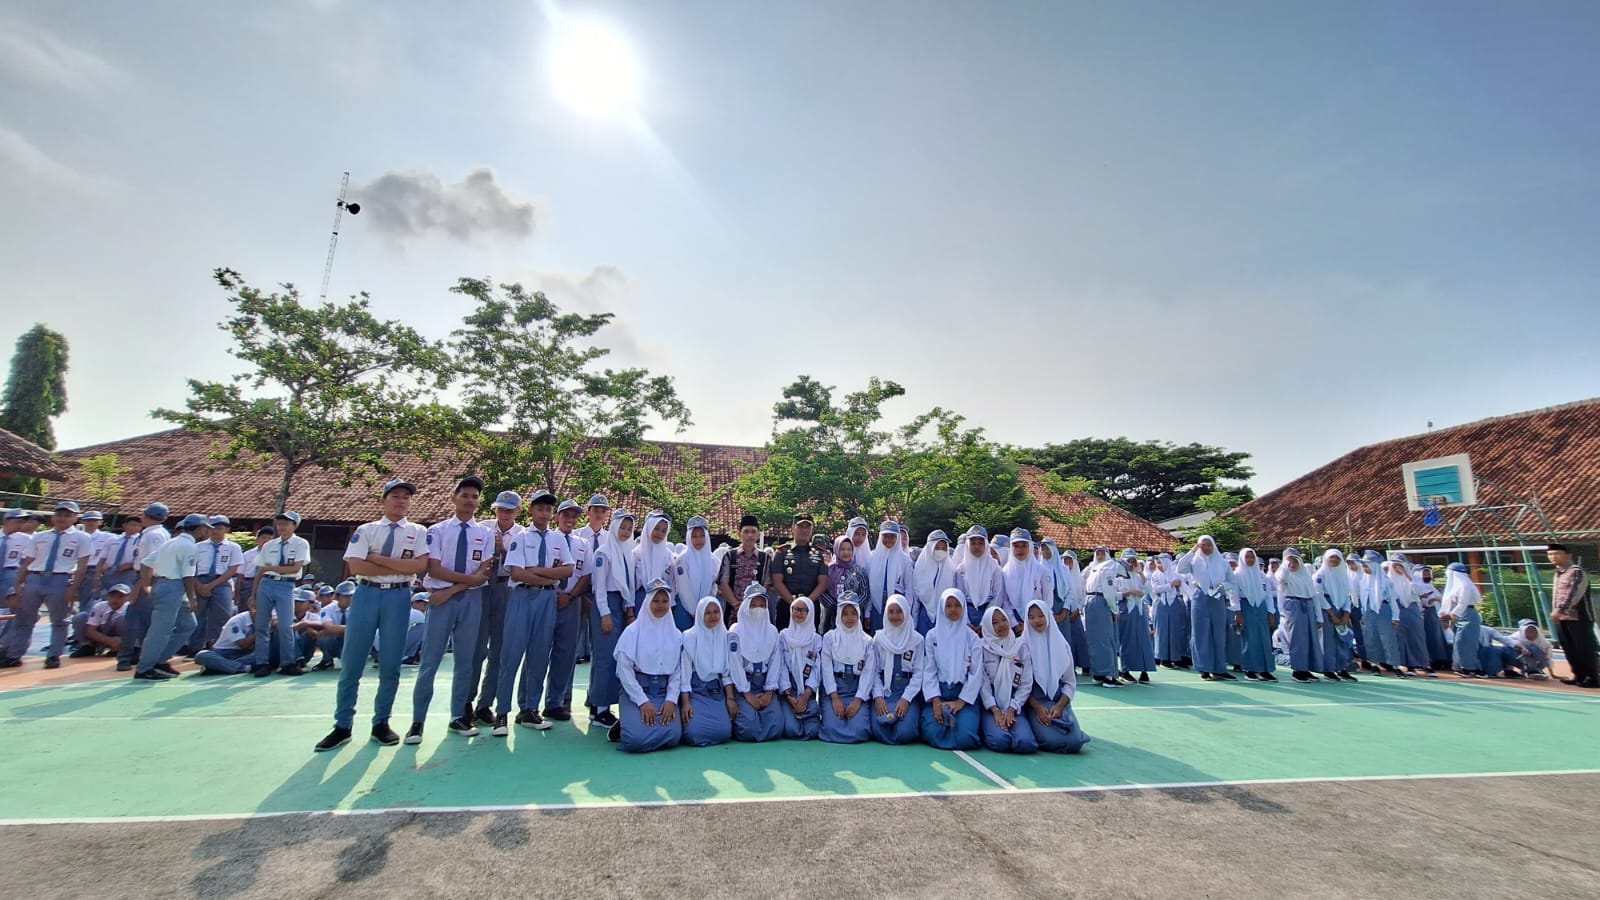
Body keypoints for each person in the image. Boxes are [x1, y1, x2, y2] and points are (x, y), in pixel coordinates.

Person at [315, 480, 431, 752]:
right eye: (395, 496)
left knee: (390, 664)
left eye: (406, 497)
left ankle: (381, 722)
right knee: (352, 662)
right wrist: (400, 567)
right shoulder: (366, 530)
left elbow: (419, 565)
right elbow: (356, 566)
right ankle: (343, 725)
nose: (401, 501)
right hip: (367, 593)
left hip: (398, 597)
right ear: (383, 500)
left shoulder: (417, 531)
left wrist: (378, 559)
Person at [407, 476, 495, 745]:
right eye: (465, 495)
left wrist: (452, 589)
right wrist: (460, 585)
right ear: (453, 498)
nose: (469, 500)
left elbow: (483, 574)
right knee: (430, 661)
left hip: (468, 600)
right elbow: (434, 569)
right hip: (441, 601)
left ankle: (458, 715)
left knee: (465, 661)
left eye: (474, 497)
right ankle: (417, 721)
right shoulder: (437, 531)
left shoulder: (485, 534)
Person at [493, 489, 574, 736]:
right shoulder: (520, 537)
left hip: (547, 599)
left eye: (549, 509)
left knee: (539, 655)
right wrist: (550, 577)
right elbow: (517, 573)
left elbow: (568, 570)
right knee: (511, 655)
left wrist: (538, 571)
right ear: (530, 510)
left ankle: (529, 709)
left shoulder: (558, 538)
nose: (545, 513)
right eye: (540, 508)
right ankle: (501, 713)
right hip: (523, 597)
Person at [2, 500, 92, 670]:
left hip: (60, 579)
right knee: (23, 619)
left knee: (59, 621)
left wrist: (73, 589)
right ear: (53, 517)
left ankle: (53, 656)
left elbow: (82, 566)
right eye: (59, 514)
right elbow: (27, 561)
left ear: (76, 518)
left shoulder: (82, 537)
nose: (62, 518)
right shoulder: (39, 536)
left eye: (67, 515)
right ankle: (14, 655)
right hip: (35, 578)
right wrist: (18, 583)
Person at [133, 513, 209, 681]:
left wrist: (147, 585)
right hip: (173, 586)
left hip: (165, 585)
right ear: (199, 528)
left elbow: (145, 563)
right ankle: (145, 668)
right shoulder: (189, 546)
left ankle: (160, 660)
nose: (206, 531)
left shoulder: (171, 542)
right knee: (160, 630)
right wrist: (192, 599)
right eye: (205, 528)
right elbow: (188, 576)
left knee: (188, 624)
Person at [470, 490, 523, 726]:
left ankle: (485, 704)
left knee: (499, 651)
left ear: (518, 512)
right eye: (501, 509)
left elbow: (521, 566)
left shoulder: (522, 534)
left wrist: (503, 550)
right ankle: (466, 701)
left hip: (506, 587)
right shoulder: (483, 528)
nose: (505, 514)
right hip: (481, 587)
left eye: (510, 510)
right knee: (476, 649)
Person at [613, 579, 682, 752]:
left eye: (665, 601)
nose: (660, 606)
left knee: (674, 736)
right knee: (635, 740)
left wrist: (671, 700)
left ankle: (632, 722)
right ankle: (627, 722)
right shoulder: (632, 632)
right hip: (637, 692)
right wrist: (642, 701)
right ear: (647, 602)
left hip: (663, 693)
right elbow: (624, 671)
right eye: (655, 601)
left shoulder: (675, 635)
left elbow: (677, 672)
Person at [587, 509, 637, 730]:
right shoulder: (603, 553)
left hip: (619, 605)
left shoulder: (626, 552)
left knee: (615, 657)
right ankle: (601, 710)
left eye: (629, 528)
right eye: (622, 527)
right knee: (605, 658)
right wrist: (605, 614)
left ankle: (597, 704)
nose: (625, 532)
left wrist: (628, 611)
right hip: (605, 605)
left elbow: (627, 586)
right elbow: (598, 588)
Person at [1023, 598, 1091, 754]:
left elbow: (1070, 682)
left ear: (1048, 616)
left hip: (1058, 701)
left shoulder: (1062, 645)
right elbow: (1020, 686)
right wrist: (1037, 707)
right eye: (1031, 617)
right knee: (1050, 741)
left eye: (1041, 615)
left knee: (1074, 742)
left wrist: (1060, 706)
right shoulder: (1022, 646)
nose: (1037, 620)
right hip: (1034, 703)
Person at [545, 498, 591, 722]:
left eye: (574, 516)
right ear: (557, 516)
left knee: (565, 654)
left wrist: (571, 596)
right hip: (546, 598)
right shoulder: (547, 538)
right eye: (566, 515)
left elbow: (586, 575)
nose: (570, 519)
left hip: (571, 601)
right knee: (538, 653)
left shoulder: (583, 543)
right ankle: (529, 704)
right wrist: (552, 593)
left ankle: (556, 702)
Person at [920, 587, 982, 750]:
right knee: (933, 732)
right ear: (942, 608)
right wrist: (935, 700)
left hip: (963, 696)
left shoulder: (972, 638)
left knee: (966, 737)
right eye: (948, 606)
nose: (953, 609)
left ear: (963, 607)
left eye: (957, 605)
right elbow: (929, 670)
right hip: (939, 694)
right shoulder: (932, 636)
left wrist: (960, 702)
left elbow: (975, 673)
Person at [252, 511, 311, 678]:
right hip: (267, 583)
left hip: (286, 585)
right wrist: (253, 594)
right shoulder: (269, 545)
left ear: (295, 525)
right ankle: (262, 663)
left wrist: (271, 568)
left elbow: (295, 568)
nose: (282, 527)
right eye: (279, 524)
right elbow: (260, 570)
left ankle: (288, 662)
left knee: (286, 626)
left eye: (286, 524)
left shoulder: (301, 543)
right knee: (261, 625)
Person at [978, 605, 1038, 754]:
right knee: (1000, 741)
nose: (1001, 625)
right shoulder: (982, 648)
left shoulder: (1020, 647)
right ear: (987, 626)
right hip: (990, 706)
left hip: (1014, 705)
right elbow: (983, 684)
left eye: (1004, 619)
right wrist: (995, 710)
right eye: (995, 622)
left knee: (1026, 743)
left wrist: (1012, 708)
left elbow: (1026, 683)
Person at [729, 584, 785, 742]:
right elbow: (735, 666)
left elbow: (775, 663)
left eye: (762, 605)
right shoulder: (735, 631)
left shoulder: (772, 631)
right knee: (747, 728)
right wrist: (747, 694)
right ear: (745, 606)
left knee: (776, 726)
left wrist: (769, 692)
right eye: (753, 605)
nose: (758, 609)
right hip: (743, 685)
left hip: (765, 684)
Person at [677, 595, 735, 747]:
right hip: (696, 691)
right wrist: (686, 703)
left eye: (716, 612)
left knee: (724, 732)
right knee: (693, 733)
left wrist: (730, 699)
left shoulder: (725, 636)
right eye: (707, 613)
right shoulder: (689, 637)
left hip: (716, 690)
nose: (712, 616)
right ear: (700, 615)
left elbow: (727, 673)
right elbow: (685, 674)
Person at [1177, 535, 1236, 681]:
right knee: (1200, 633)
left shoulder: (1222, 562)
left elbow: (1232, 581)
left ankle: (1219, 668)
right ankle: (1203, 668)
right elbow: (1180, 568)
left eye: (1209, 544)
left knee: (1219, 634)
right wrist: (1192, 551)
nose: (1206, 547)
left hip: (1217, 597)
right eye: (1202, 545)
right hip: (1200, 596)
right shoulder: (1194, 560)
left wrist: (1223, 587)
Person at [866, 595, 924, 745]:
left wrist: (906, 699)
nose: (895, 616)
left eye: (899, 611)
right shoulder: (879, 639)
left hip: (906, 692)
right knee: (879, 729)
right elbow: (873, 671)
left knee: (905, 732)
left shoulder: (917, 640)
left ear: (906, 612)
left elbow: (919, 673)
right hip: (885, 691)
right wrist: (878, 697)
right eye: (891, 612)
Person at [819, 595, 874, 744]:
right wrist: (835, 698)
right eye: (845, 613)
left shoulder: (867, 641)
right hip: (835, 690)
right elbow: (826, 669)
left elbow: (868, 673)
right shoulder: (830, 638)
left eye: (853, 613)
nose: (850, 618)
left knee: (859, 730)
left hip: (857, 691)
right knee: (831, 728)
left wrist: (858, 701)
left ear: (859, 614)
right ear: (839, 615)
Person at [186, 515, 242, 655]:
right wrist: (199, 585)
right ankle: (195, 646)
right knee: (198, 615)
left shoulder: (233, 547)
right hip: (200, 581)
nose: (215, 531)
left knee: (222, 616)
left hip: (221, 582)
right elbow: (191, 568)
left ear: (227, 529)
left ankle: (217, 645)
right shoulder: (198, 546)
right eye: (212, 528)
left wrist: (211, 586)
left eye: (219, 528)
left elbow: (232, 570)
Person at [1546, 544, 1596, 688]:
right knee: (1569, 648)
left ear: (1568, 555)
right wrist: (1556, 611)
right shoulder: (1558, 573)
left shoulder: (1575, 572)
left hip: (1579, 617)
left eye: (1557, 553)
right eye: (1550, 554)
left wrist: (1559, 610)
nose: (1553, 557)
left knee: (1583, 647)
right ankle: (1579, 675)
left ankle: (1591, 677)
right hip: (1562, 618)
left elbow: (1573, 593)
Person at [1275, 548, 1326, 682]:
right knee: (1297, 639)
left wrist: (1319, 617)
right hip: (1293, 606)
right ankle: (1298, 671)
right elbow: (1281, 577)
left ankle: (1307, 669)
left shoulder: (1305, 576)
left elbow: (1314, 596)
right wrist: (1286, 563)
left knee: (1310, 638)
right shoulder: (1285, 575)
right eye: (1289, 561)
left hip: (1308, 606)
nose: (1292, 564)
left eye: (1295, 561)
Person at [770, 514, 827, 633]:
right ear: (793, 528)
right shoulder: (782, 552)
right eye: (801, 527)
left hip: (811, 605)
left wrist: (806, 604)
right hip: (786, 605)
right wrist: (794, 604)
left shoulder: (819, 554)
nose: (804, 530)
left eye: (808, 527)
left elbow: (822, 583)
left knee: (811, 641)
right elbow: (777, 581)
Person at [777, 596, 823, 739]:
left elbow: (816, 669)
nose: (799, 613)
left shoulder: (815, 639)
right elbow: (781, 666)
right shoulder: (783, 636)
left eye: (803, 610)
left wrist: (805, 697)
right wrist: (789, 695)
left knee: (812, 731)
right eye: (796, 609)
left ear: (810, 613)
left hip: (807, 691)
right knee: (791, 730)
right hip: (789, 690)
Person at [1232, 548, 1278, 681]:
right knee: (1250, 638)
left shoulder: (1261, 575)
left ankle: (1265, 670)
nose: (1250, 560)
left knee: (1264, 639)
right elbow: (1234, 595)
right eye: (1247, 557)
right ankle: (1250, 669)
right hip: (1246, 606)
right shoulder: (1237, 575)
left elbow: (1268, 595)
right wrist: (1238, 612)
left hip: (1261, 607)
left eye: (1252, 557)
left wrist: (1270, 612)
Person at [1081, 547, 1124, 687]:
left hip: (1090, 602)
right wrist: (1114, 609)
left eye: (1102, 553)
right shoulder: (1108, 568)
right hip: (1101, 602)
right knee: (1105, 640)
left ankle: (1099, 673)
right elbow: (1109, 592)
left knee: (1096, 640)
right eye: (1097, 553)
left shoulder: (1092, 569)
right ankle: (1108, 675)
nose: (1099, 556)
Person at [1314, 550, 1359, 682]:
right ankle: (1328, 669)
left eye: (1337, 558)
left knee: (1342, 640)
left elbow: (1347, 595)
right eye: (1331, 557)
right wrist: (1332, 614)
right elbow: (1319, 595)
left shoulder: (1344, 575)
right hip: (1326, 609)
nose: (1334, 560)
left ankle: (1342, 668)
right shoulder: (1319, 575)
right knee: (1328, 640)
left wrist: (1346, 614)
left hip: (1340, 608)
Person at [717, 515, 770, 627]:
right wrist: (737, 605)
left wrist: (753, 606)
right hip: (733, 611)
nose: (750, 535)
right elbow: (723, 583)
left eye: (753, 532)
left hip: (757, 612)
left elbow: (767, 583)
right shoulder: (730, 556)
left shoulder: (765, 558)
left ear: (758, 535)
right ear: (739, 534)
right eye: (746, 531)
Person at [1387, 557, 1434, 677]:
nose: (1396, 568)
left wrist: (1407, 575)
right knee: (1402, 638)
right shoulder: (1389, 580)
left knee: (1417, 636)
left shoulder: (1413, 578)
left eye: (1399, 565)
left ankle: (1424, 664)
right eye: (1394, 566)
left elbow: (1419, 592)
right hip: (1397, 610)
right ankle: (1409, 665)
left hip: (1412, 609)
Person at [1439, 562, 1487, 678]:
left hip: (1467, 615)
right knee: (1458, 642)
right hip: (1458, 616)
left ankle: (1471, 667)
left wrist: (1452, 615)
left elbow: (1463, 603)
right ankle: (1460, 666)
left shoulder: (1464, 586)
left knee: (1466, 642)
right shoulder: (1456, 586)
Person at [1115, 549, 1155, 683]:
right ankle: (1125, 670)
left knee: (1143, 640)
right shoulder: (1118, 577)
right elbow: (1114, 594)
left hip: (1139, 610)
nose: (1131, 564)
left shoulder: (1137, 576)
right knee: (1127, 640)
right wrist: (1129, 592)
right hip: (1126, 609)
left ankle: (1144, 669)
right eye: (1129, 561)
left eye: (1133, 561)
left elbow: (1148, 589)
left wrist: (1140, 573)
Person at [673, 516, 719, 631]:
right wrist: (694, 611)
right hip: (684, 607)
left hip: (707, 610)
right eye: (694, 536)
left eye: (702, 536)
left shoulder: (713, 560)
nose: (698, 540)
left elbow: (714, 584)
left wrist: (705, 607)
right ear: (689, 538)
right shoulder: (682, 559)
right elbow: (683, 588)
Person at [908, 530, 955, 635]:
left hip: (946, 616)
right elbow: (915, 600)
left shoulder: (951, 570)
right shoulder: (919, 570)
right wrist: (913, 624)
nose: (940, 551)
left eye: (944, 548)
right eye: (937, 548)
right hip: (924, 616)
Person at [864, 521, 908, 633]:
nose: (889, 539)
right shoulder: (872, 557)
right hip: (877, 606)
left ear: (897, 537)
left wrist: (908, 612)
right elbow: (869, 587)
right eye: (885, 536)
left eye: (892, 536)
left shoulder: (905, 559)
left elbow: (909, 589)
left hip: (897, 607)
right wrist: (867, 613)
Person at [195, 602, 263, 675]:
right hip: (223, 653)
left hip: (244, 655)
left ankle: (218, 667)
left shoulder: (266, 620)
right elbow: (242, 645)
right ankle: (242, 668)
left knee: (262, 656)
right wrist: (262, 631)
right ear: (254, 610)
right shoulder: (236, 621)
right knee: (202, 655)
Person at [955, 527, 1002, 631]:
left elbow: (998, 596)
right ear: (968, 545)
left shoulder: (994, 567)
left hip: (989, 612)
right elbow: (959, 597)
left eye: (981, 543)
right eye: (973, 543)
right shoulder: (961, 569)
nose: (977, 547)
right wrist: (966, 621)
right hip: (966, 613)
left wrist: (986, 621)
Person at [71, 580, 132, 658]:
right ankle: (88, 646)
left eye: (120, 596)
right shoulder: (99, 606)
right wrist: (109, 641)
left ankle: (120, 649)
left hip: (121, 638)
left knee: (123, 619)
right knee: (80, 618)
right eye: (112, 596)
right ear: (107, 596)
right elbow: (90, 631)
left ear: (128, 598)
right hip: (102, 635)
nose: (115, 599)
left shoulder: (130, 609)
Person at [824, 536, 869, 634]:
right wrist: (834, 606)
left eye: (849, 549)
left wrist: (853, 608)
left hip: (854, 615)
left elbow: (865, 593)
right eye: (842, 549)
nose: (846, 552)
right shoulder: (829, 570)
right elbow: (822, 591)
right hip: (833, 615)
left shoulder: (860, 571)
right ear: (836, 550)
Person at [1150, 553, 1188, 669]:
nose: (1159, 565)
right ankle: (1163, 658)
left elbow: (1184, 588)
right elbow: (1156, 589)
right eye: (1157, 563)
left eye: (1161, 563)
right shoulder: (1155, 575)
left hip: (1174, 604)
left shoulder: (1176, 575)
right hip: (1160, 604)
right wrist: (1171, 585)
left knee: (1175, 631)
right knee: (1162, 631)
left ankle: (1175, 658)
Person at [311, 580, 354, 669]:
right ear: (337, 597)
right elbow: (329, 627)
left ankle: (355, 661)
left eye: (351, 596)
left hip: (351, 641)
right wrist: (352, 629)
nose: (350, 599)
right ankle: (327, 660)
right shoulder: (327, 610)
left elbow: (361, 630)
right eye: (346, 596)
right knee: (323, 637)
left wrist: (335, 630)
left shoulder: (358, 609)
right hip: (336, 641)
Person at [1415, 566, 1450, 670]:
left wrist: (1434, 599)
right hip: (1422, 613)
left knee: (1436, 637)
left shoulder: (1431, 587)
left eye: (1428, 574)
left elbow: (1440, 598)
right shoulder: (1416, 586)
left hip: (1433, 613)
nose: (1427, 576)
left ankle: (1439, 659)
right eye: (1424, 574)